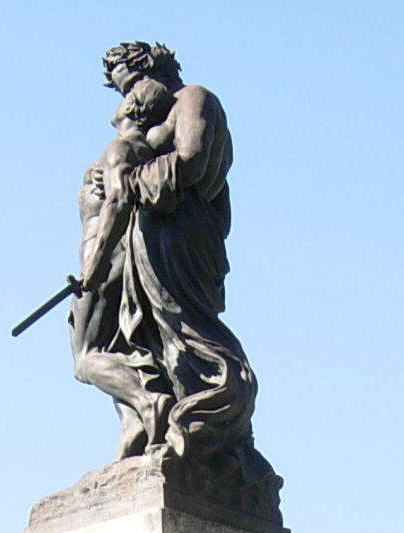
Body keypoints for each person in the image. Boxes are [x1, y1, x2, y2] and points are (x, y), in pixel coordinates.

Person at [69, 42, 276, 500]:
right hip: (145, 235)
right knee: (143, 338)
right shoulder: (145, 128)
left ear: (154, 69)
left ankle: (212, 428)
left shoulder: (194, 99)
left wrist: (126, 178)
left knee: (185, 329)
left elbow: (192, 160)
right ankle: (155, 429)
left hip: (178, 236)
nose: (129, 98)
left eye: (132, 83)